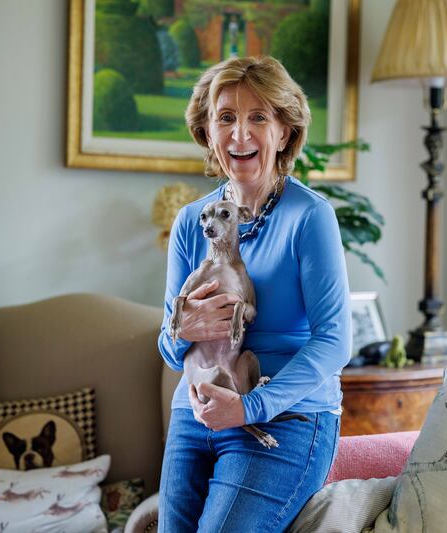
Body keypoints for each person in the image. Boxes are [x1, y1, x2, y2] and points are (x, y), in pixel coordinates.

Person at [157, 56, 351, 532]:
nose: (240, 135)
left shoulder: (310, 217)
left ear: (284, 131)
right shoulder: (192, 221)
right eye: (226, 118)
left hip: (286, 418)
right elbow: (167, 344)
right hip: (194, 413)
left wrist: (248, 407)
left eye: (258, 117)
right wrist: (183, 329)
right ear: (207, 131)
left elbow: (335, 341)